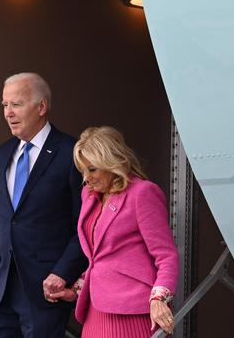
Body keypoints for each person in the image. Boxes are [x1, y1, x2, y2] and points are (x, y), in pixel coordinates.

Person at [0, 73, 88, 337]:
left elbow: (86, 226)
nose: (8, 113)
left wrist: (62, 272)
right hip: (0, 293)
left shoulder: (72, 153)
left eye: (16, 105)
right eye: (4, 105)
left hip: (44, 290)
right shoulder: (2, 153)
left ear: (41, 107)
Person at [49, 126, 179, 337]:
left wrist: (159, 299)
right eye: (83, 170)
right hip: (95, 312)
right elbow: (99, 255)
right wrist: (75, 291)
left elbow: (166, 255)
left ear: (111, 163)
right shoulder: (89, 195)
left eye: (92, 169)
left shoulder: (142, 193)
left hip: (131, 311)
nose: (86, 178)